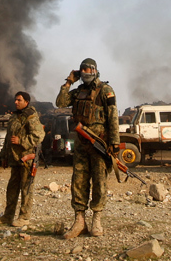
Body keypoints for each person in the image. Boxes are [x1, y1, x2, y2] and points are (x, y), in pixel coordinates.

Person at [56, 58, 119, 238]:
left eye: (88, 69)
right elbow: (60, 102)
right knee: (79, 182)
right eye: (82, 70)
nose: (85, 72)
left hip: (100, 144)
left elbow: (113, 117)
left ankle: (96, 220)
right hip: (82, 145)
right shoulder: (77, 92)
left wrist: (114, 143)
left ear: (95, 71)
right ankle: (79, 221)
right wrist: (68, 82)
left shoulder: (106, 90)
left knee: (100, 181)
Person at [0, 91, 45, 227]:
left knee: (26, 188)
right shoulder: (14, 117)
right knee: (12, 189)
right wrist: (4, 156)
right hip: (14, 159)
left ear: (26, 102)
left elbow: (38, 136)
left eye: (19, 100)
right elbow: (8, 138)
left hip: (26, 159)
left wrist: (21, 140)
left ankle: (24, 217)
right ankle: (8, 216)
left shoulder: (31, 117)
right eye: (15, 100)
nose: (16, 102)